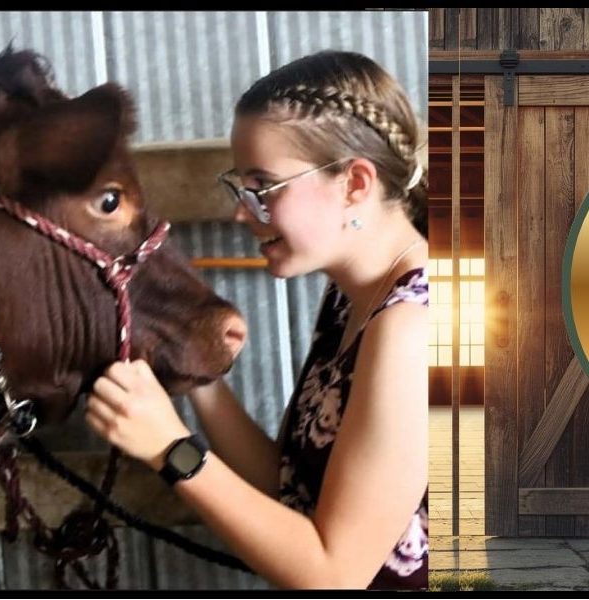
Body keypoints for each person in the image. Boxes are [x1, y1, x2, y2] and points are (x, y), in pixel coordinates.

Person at [84, 50, 428, 590]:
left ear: (355, 184)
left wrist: (169, 447)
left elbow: (334, 573)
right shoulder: (352, 300)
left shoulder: (412, 329)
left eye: (263, 188)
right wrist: (202, 380)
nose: (243, 212)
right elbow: (286, 488)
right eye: (240, 189)